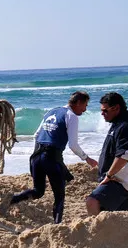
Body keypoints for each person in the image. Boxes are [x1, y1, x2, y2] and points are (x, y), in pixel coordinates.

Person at [9, 91, 99, 223]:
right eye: (85, 105)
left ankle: (12, 200)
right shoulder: (71, 116)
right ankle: (57, 225)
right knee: (59, 196)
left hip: (36, 157)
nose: (85, 109)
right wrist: (87, 158)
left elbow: (36, 135)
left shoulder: (52, 111)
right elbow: (73, 145)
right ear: (78, 103)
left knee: (38, 191)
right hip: (50, 159)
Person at [86, 92, 128, 215]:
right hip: (117, 179)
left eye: (105, 110)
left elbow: (124, 156)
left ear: (116, 108)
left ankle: (97, 228)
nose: (102, 114)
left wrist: (108, 176)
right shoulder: (118, 123)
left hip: (121, 181)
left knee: (92, 201)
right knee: (119, 219)